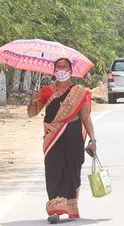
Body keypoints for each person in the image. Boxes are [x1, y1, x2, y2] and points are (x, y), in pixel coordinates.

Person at [27, 58, 97, 224]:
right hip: (52, 137)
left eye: (65, 67)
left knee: (72, 170)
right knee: (53, 170)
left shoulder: (80, 92)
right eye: (58, 67)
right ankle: (55, 209)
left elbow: (86, 118)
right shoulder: (45, 91)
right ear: (53, 70)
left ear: (70, 70)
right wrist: (33, 99)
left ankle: (70, 206)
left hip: (73, 136)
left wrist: (93, 139)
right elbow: (32, 113)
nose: (61, 70)